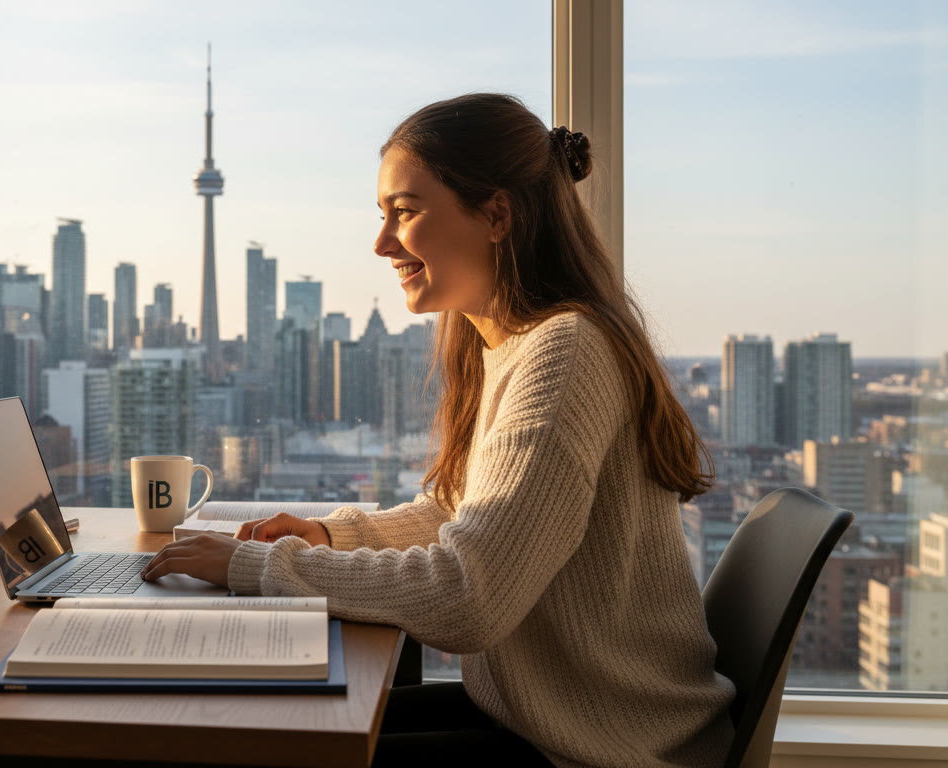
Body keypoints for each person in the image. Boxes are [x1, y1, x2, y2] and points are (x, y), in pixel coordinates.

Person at [141, 93, 736, 767]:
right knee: (258, 731)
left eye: (406, 211)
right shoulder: (512, 343)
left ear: (496, 215)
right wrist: (332, 534)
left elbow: (468, 599)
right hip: (545, 725)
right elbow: (459, 513)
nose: (381, 243)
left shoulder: (564, 353)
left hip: (606, 751)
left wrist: (257, 565)